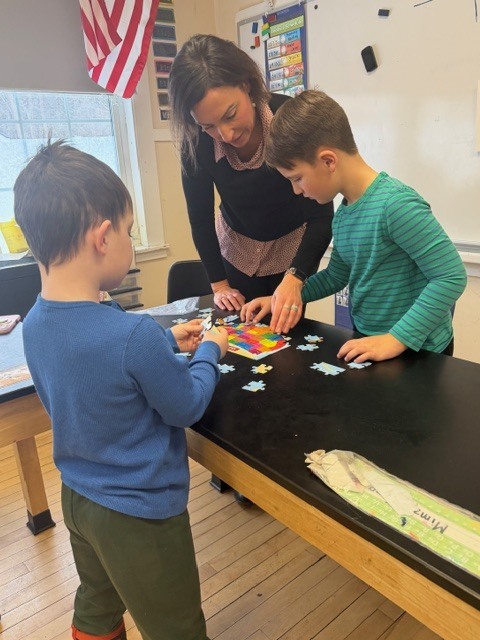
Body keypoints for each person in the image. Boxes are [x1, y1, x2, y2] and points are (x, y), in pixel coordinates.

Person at [14, 140, 228, 640]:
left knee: (97, 604)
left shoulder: (36, 322)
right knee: (176, 626)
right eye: (130, 231)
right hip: (140, 516)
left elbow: (91, 357)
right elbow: (186, 405)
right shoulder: (129, 336)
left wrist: (164, 336)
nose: (131, 241)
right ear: (103, 237)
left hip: (79, 499)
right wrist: (209, 351)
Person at [241, 90, 467, 363]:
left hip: (419, 350)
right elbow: (337, 276)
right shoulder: (344, 213)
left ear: (328, 161)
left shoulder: (395, 205)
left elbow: (450, 276)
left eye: (297, 178)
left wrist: (396, 339)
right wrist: (284, 298)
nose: (296, 191)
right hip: (369, 339)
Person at [168, 34, 333, 316]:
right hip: (236, 250)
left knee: (285, 336)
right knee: (239, 333)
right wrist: (219, 285)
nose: (226, 135)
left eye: (231, 114)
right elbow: (200, 217)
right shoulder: (195, 142)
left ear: (247, 86)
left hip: (293, 247)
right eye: (208, 126)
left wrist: (295, 278)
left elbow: (320, 216)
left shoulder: (289, 119)